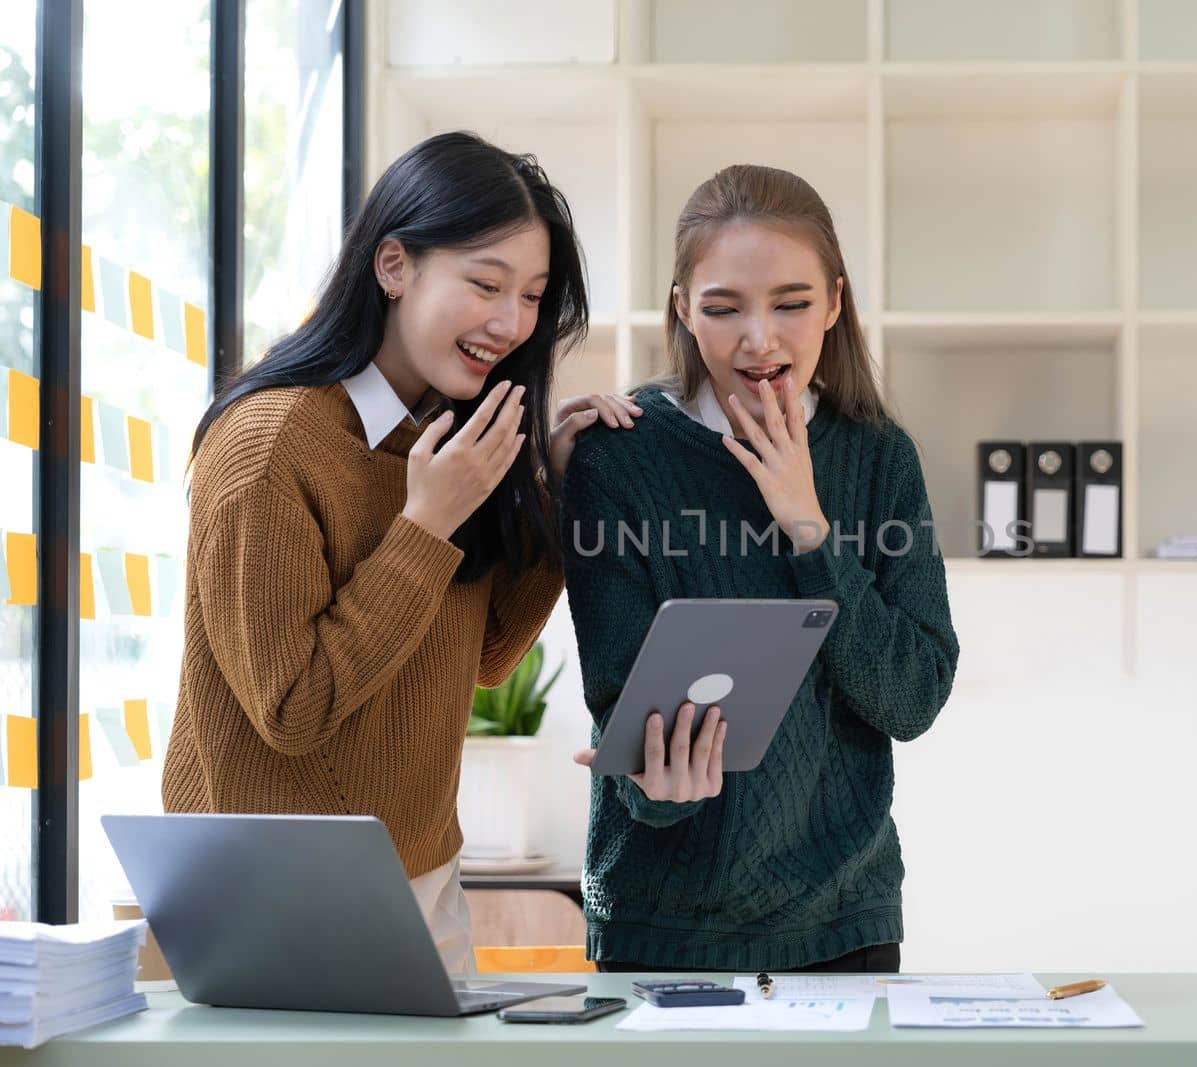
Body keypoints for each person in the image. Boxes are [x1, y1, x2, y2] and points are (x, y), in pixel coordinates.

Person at [161, 131, 640, 972]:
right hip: (274, 891)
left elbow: (486, 657)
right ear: (394, 266)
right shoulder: (270, 447)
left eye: (531, 296)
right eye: (486, 284)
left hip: (423, 870)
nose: (510, 322)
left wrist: (557, 498)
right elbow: (292, 711)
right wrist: (424, 528)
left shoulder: (451, 439)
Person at [562, 164, 959, 972]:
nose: (759, 339)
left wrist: (808, 525)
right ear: (682, 309)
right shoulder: (619, 459)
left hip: (843, 922)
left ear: (836, 303)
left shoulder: (879, 459)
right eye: (722, 307)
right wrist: (653, 786)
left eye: (791, 303)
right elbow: (621, 701)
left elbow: (912, 697)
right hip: (661, 926)